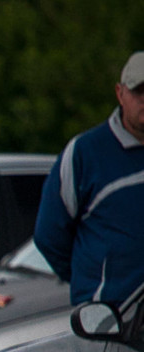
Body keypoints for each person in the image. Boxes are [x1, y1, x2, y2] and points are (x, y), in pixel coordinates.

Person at [33, 51, 144, 308]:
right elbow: (49, 235)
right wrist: (89, 284)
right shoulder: (85, 153)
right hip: (107, 318)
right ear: (120, 94)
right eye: (138, 91)